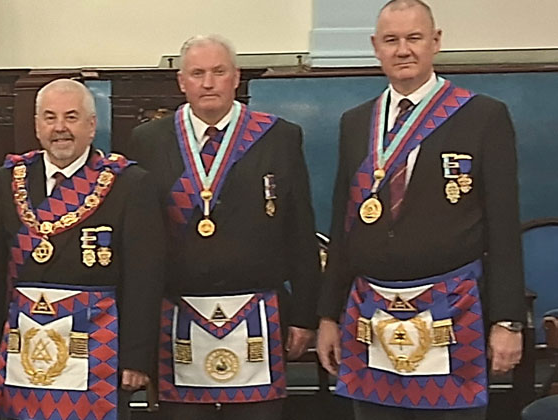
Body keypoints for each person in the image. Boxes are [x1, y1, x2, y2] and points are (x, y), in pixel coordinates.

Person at [316, 1, 524, 419]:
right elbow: (344, 224)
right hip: (370, 312)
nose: (403, 50)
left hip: (453, 310)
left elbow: (503, 226)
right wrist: (327, 315)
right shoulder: (357, 122)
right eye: (391, 40)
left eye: (413, 38)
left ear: (436, 41)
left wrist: (508, 321)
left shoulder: (482, 116)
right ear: (375, 47)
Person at [126, 35, 318, 420]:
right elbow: (139, 249)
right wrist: (139, 336)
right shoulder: (148, 141)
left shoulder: (278, 136)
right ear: (182, 82)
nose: (208, 82)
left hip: (259, 316)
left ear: (236, 77)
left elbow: (300, 229)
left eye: (218, 72)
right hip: (177, 318)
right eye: (198, 73)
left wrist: (305, 315)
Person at [0, 78, 165, 420]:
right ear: (37, 126)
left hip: (101, 352)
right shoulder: (9, 179)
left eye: (71, 117)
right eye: (50, 118)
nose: (60, 129)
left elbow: (145, 279)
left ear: (92, 125)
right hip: (27, 350)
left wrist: (136, 359)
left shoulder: (129, 183)